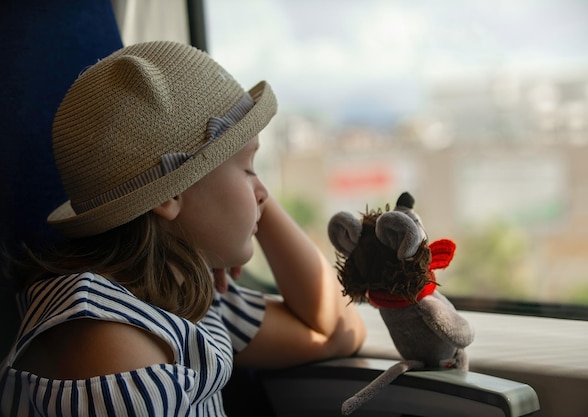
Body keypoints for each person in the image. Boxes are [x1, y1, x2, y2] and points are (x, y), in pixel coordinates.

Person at [0, 40, 366, 416]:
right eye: (247, 168)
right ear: (169, 194)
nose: (264, 193)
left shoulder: (182, 290)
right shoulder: (106, 341)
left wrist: (239, 216)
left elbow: (337, 331)